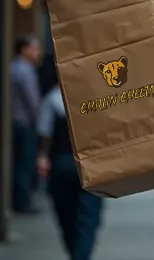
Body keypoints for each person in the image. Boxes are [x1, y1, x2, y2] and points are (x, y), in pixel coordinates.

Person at [36, 77, 104, 259]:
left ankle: (76, 253)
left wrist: (42, 156)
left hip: (62, 163)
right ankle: (80, 255)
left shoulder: (52, 98)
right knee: (88, 218)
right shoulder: (92, 96)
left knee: (65, 215)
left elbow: (45, 131)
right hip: (90, 164)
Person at [11, 34, 42, 214]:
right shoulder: (24, 70)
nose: (38, 52)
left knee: (19, 165)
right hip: (24, 123)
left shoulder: (14, 67)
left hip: (17, 123)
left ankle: (20, 199)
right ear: (25, 49)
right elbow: (33, 102)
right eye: (35, 48)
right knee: (24, 165)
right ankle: (23, 202)